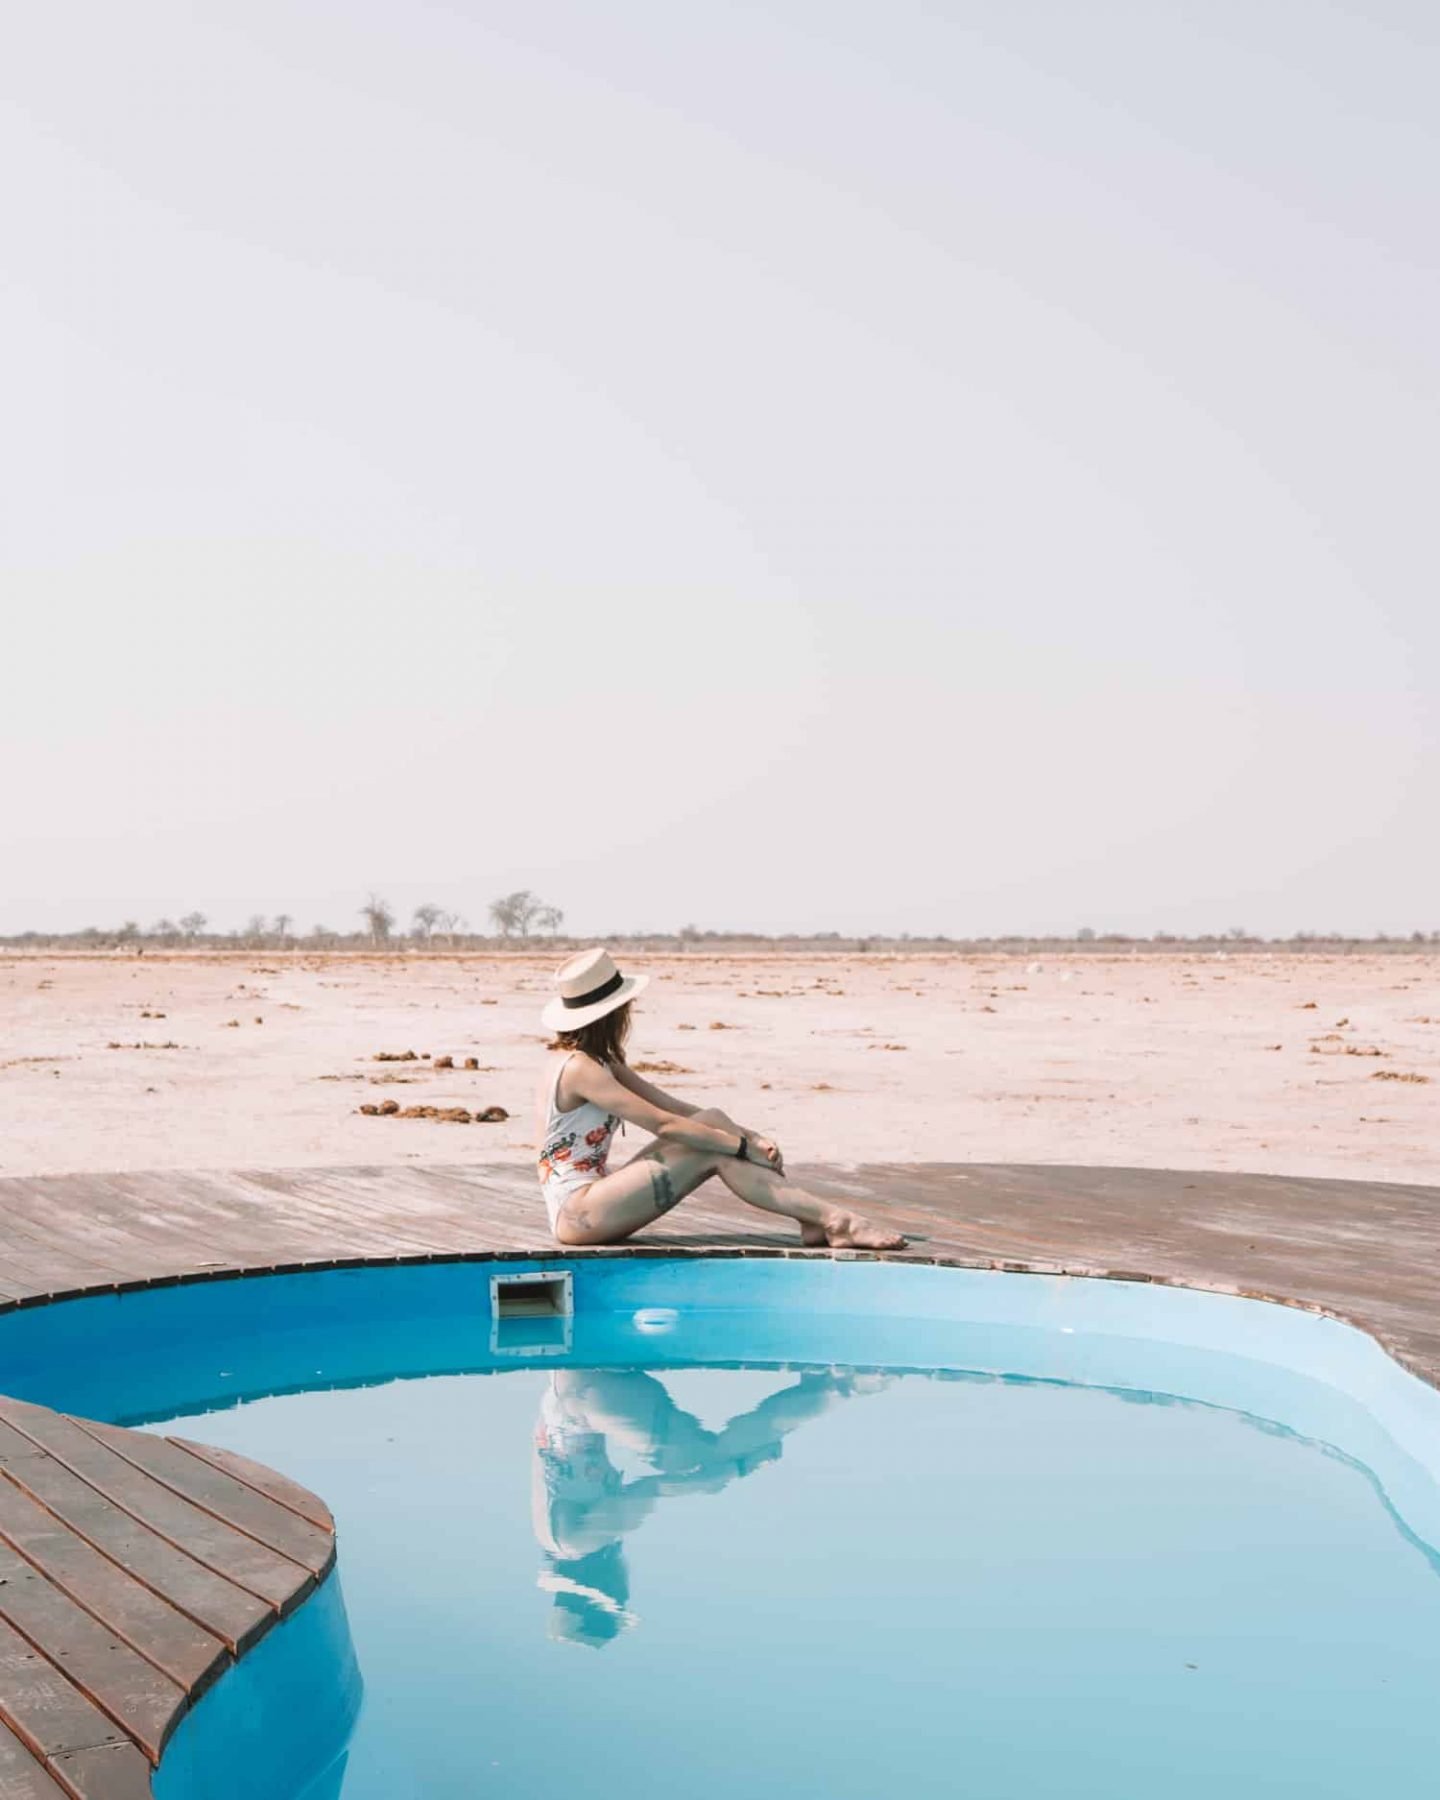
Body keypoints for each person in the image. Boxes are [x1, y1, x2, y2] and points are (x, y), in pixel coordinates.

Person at [534, 947, 906, 1249]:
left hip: (594, 1202)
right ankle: (835, 1220)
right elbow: (663, 1125)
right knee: (715, 1148)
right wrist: (740, 1147)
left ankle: (815, 1219)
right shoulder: (579, 1068)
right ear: (615, 1013)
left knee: (711, 1118)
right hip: (579, 1215)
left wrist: (752, 1137)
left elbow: (674, 1108)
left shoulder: (603, 1062)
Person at [531, 1365, 884, 1646]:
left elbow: (653, 1489)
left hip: (591, 1397)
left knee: (704, 1462)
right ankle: (822, 1388)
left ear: (604, 1587)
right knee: (701, 1462)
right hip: (574, 1384)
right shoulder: (551, 1538)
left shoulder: (580, 1543)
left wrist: (737, 1470)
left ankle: (841, 1384)